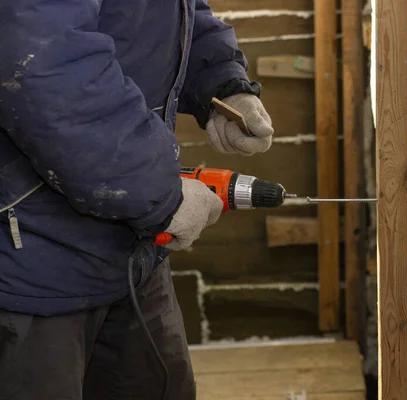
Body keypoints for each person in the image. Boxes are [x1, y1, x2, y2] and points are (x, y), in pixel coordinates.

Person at [0, 1, 274, 399]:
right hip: (32, 261)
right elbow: (46, 65)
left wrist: (220, 82)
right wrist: (158, 193)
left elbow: (171, 12)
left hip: (131, 255)